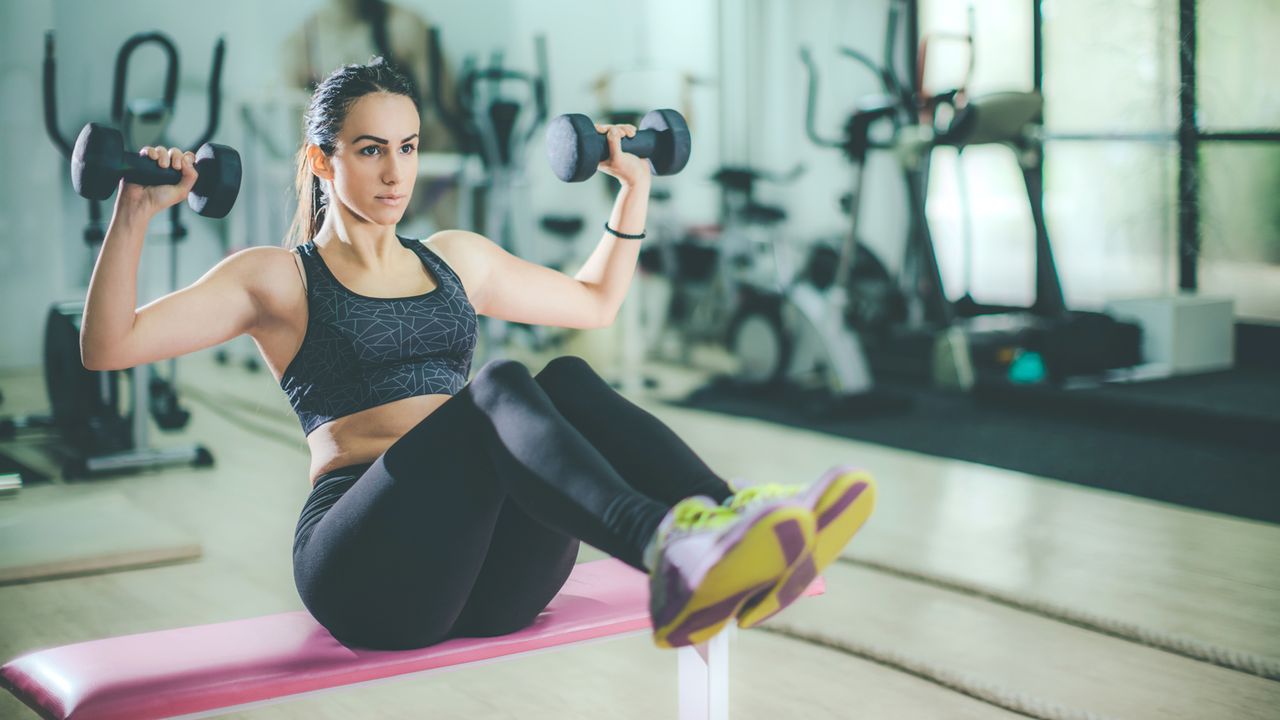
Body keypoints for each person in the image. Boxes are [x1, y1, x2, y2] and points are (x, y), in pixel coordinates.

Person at [78, 58, 877, 651]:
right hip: (366, 567)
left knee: (561, 375)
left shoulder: (456, 257)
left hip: (492, 573)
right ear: (323, 161)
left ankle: (729, 523)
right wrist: (137, 210)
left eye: (409, 146)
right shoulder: (278, 278)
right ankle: (666, 550)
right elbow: (110, 346)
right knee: (499, 384)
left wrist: (634, 191)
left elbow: (594, 302)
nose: (397, 172)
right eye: (369, 150)